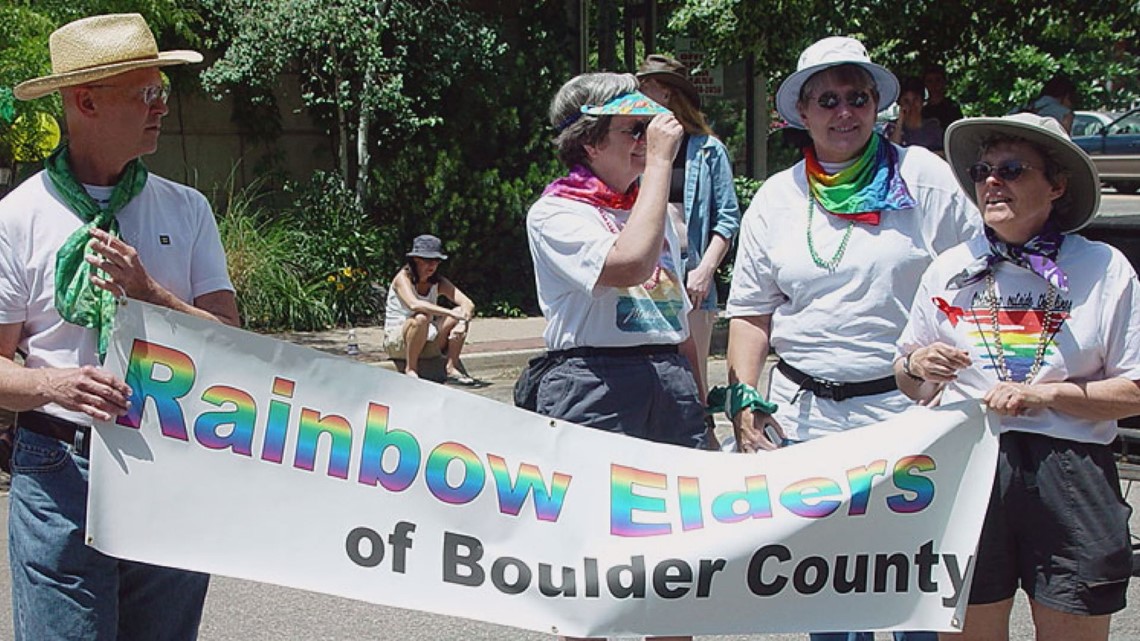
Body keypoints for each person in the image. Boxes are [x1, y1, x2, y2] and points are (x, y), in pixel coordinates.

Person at [724, 35, 981, 641]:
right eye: (829, 100)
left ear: (877, 107)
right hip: (806, 422)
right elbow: (751, 314)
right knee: (829, 593)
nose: (845, 113)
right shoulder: (775, 198)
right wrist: (742, 400)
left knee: (910, 592)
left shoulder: (925, 180)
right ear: (802, 114)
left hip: (910, 415)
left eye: (858, 98)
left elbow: (978, 281)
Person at [0, 13, 240, 640]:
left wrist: (149, 293)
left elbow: (231, 343)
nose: (163, 106)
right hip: (60, 467)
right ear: (86, 101)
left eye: (163, 91)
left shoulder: (186, 209)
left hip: (175, 459)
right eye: (148, 93)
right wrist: (53, 387)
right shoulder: (17, 218)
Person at [895, 113, 1137, 641]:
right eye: (982, 170)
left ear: (1056, 185)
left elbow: (1133, 392)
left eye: (1011, 169)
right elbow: (910, 381)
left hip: (1071, 471)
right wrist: (917, 366)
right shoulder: (949, 267)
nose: (991, 182)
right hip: (970, 464)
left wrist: (1046, 394)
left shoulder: (1103, 267)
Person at [637, 54, 741, 435]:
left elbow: (727, 218)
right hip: (647, 272)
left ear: (666, 93)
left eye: (645, 88)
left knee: (693, 371)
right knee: (650, 368)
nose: (639, 95)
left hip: (690, 269)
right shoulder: (638, 148)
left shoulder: (708, 149)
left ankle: (705, 441)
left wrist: (705, 270)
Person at [383, 234, 476, 384]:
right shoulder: (403, 278)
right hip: (399, 341)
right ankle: (411, 369)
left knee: (459, 312)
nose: (432, 266)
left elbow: (468, 303)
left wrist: (462, 322)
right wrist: (450, 312)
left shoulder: (438, 282)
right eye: (427, 261)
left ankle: (450, 367)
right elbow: (415, 304)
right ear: (416, 260)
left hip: (427, 339)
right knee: (421, 318)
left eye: (436, 261)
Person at [884, 76, 944, 153]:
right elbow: (891, 152)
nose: (912, 105)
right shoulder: (891, 127)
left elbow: (942, 154)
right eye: (906, 101)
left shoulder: (933, 127)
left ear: (922, 102)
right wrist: (900, 122)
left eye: (916, 99)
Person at [921, 64, 963, 131]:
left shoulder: (952, 108)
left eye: (937, 80)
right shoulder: (921, 110)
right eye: (930, 81)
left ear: (944, 82)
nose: (934, 85)